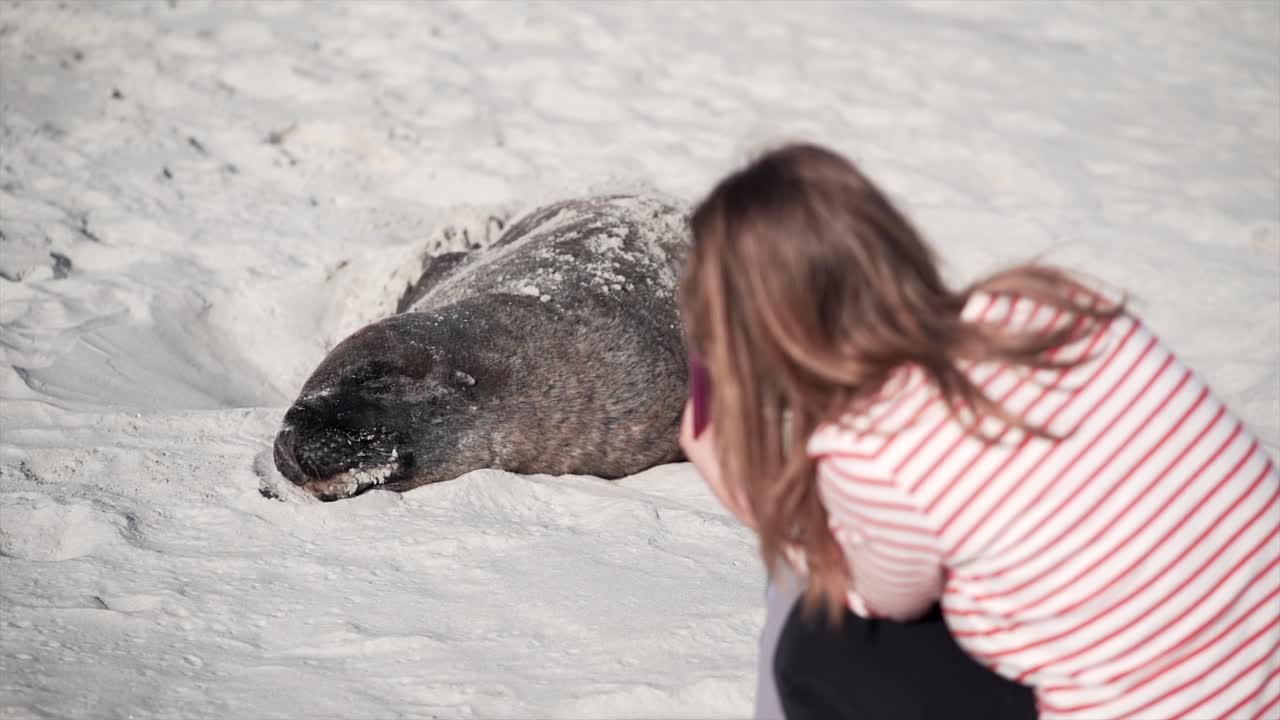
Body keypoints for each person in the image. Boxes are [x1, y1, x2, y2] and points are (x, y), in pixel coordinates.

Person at [677, 143, 1280, 720]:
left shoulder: (868, 448)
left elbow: (886, 598)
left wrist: (756, 504)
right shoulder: (1048, 306)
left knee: (819, 649)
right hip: (1260, 664)